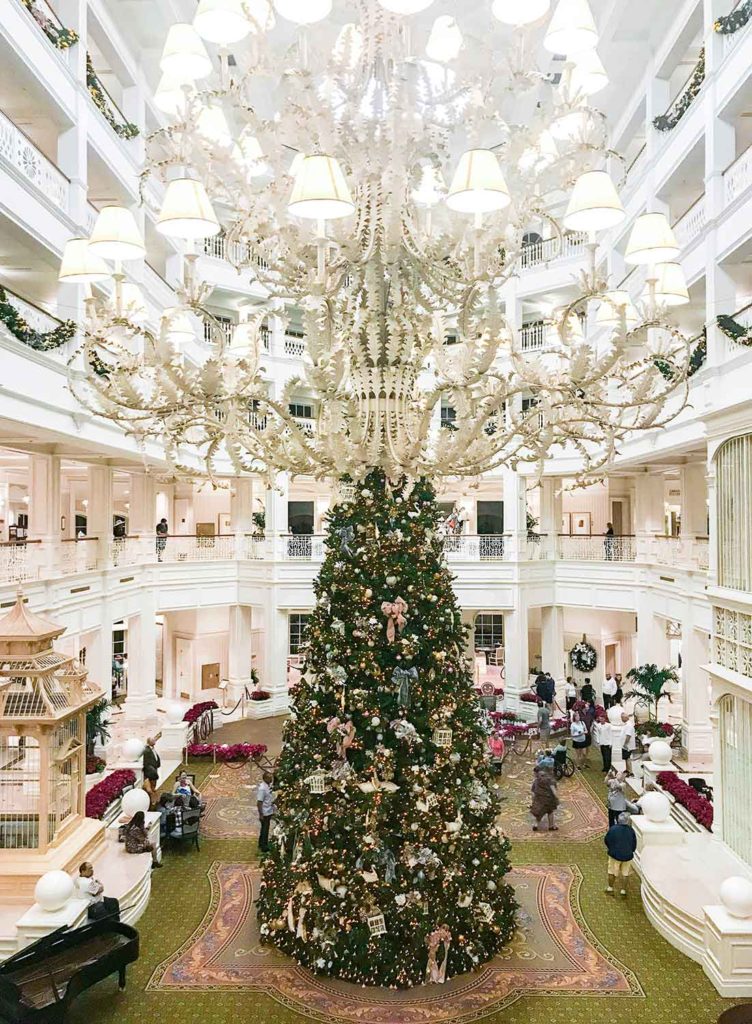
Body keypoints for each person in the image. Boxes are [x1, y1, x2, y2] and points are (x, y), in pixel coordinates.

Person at [604, 811, 637, 897]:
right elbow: (634, 844)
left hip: (615, 855)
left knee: (611, 871)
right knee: (625, 873)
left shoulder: (613, 829)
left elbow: (607, 840)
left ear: (618, 820)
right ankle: (623, 891)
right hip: (628, 855)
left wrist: (611, 848)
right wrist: (630, 851)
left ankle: (610, 888)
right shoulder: (631, 830)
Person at [530, 765, 559, 832]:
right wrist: (557, 798)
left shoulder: (536, 781)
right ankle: (551, 826)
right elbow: (554, 791)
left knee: (539, 813)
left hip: (539, 799)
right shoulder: (550, 780)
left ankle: (535, 825)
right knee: (550, 812)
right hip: (549, 800)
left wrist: (533, 801)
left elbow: (533, 792)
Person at [257, 771, 276, 853]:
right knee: (265, 829)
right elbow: (259, 802)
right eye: (269, 778)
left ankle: (261, 843)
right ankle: (264, 846)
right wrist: (261, 814)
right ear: (265, 779)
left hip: (269, 810)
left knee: (265, 828)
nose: (271, 779)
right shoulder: (262, 789)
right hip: (265, 812)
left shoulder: (268, 786)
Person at [142, 737, 161, 808]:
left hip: (154, 770)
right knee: (151, 789)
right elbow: (146, 763)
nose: (155, 741)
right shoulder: (147, 751)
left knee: (154, 787)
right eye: (153, 740)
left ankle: (154, 801)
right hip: (151, 773)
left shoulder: (152, 749)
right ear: (149, 742)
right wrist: (152, 771)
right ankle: (152, 801)